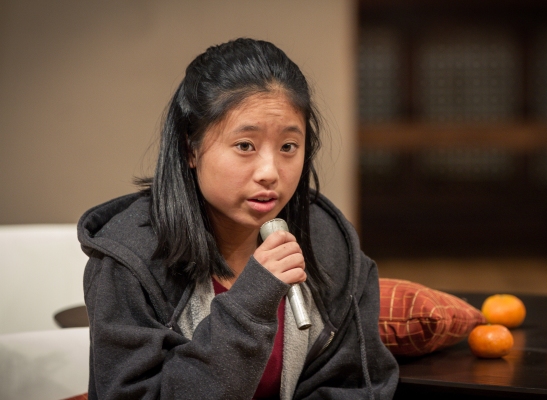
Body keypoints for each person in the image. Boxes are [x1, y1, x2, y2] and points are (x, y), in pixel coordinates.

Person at [78, 38, 399, 399]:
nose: (270, 172)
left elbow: (356, 385)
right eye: (245, 146)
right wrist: (251, 301)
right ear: (191, 149)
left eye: (288, 147)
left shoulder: (328, 239)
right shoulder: (130, 259)